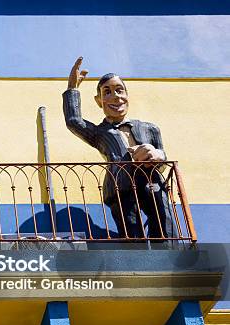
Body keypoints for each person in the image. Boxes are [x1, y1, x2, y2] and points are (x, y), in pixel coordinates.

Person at [62, 57, 177, 240]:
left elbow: (162, 162)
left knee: (165, 221)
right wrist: (72, 88)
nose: (116, 96)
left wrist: (157, 155)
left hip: (151, 182)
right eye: (107, 92)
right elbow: (73, 121)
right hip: (119, 187)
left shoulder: (149, 128)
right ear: (99, 101)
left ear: (127, 95)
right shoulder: (100, 133)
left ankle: (169, 256)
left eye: (119, 90)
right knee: (131, 230)